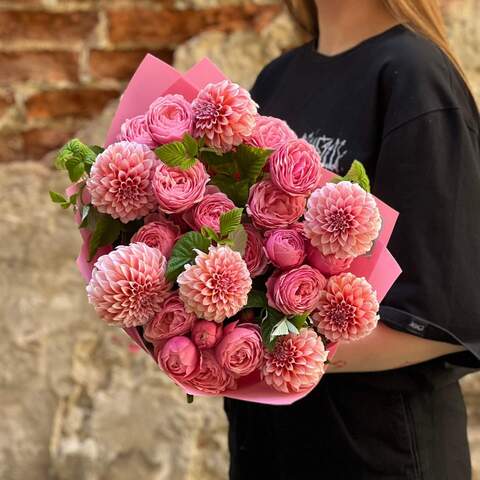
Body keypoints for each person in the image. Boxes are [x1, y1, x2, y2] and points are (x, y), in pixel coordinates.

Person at [224, 1, 480, 478]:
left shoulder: (413, 74)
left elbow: (452, 314)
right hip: (267, 445)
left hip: (376, 450)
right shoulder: (277, 79)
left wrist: (268, 354)